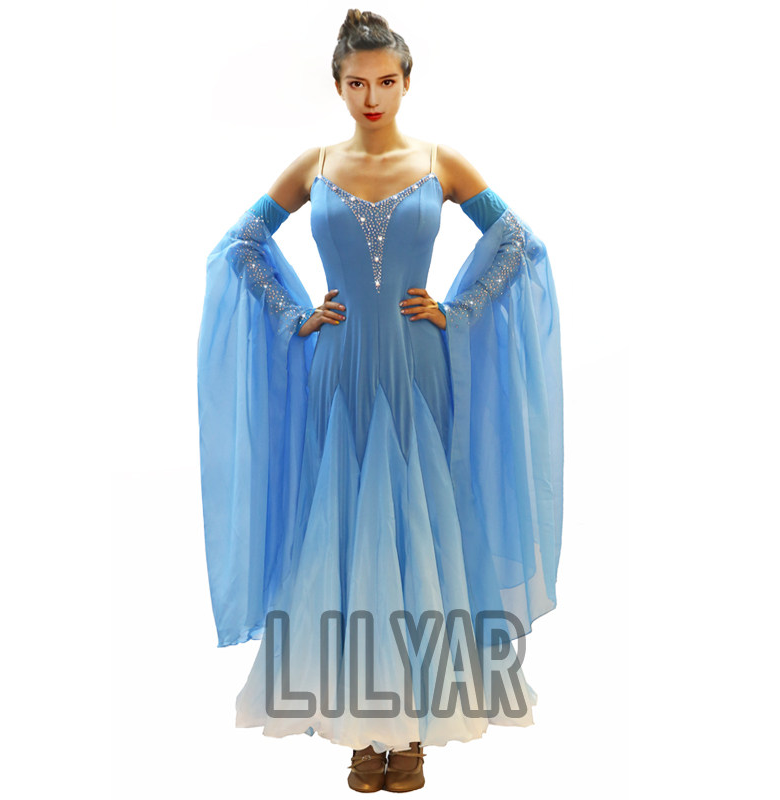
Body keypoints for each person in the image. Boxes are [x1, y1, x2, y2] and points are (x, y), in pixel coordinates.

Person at [197, 8, 564, 794]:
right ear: (338, 85)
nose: (372, 97)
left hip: (416, 370)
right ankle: (364, 732)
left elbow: (519, 243)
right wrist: (292, 313)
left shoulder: (439, 162)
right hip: (338, 372)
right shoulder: (315, 165)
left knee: (417, 537)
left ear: (405, 82)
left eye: (386, 81)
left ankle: (415, 731)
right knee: (341, 538)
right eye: (357, 83)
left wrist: (459, 310)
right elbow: (239, 245)